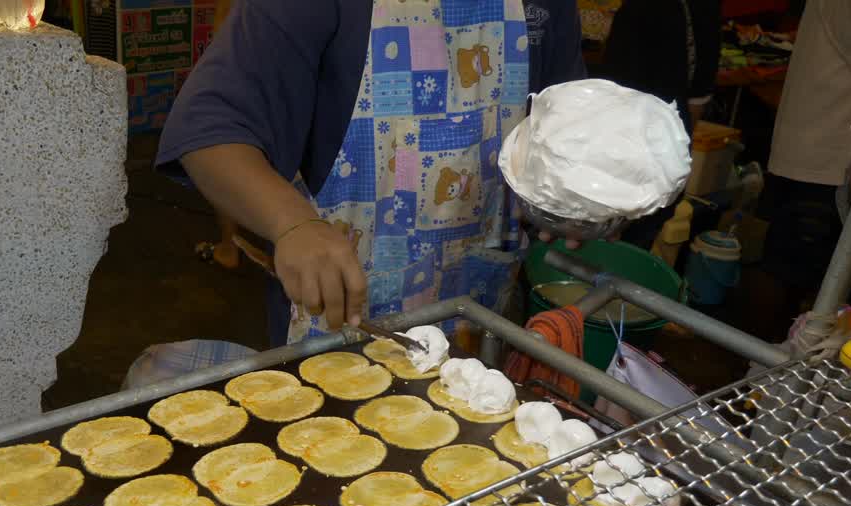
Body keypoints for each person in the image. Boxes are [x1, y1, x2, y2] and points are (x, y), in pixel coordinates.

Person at [157, 0, 587, 348]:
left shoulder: (546, 7)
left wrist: (568, 195)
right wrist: (292, 223)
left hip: (481, 312)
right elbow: (207, 128)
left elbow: (562, 125)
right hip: (339, 320)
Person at [753, 0, 851, 340]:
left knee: (791, 267)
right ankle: (767, 367)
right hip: (827, 155)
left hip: (819, 147)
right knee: (795, 272)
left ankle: (767, 363)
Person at [595, 0, 721, 250]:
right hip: (664, 158)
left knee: (598, 254)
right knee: (630, 252)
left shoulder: (637, 10)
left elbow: (611, 90)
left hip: (619, 162)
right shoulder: (702, 8)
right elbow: (699, 95)